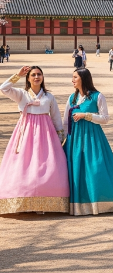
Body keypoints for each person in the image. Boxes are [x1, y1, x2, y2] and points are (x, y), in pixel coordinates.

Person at [0, 66, 69, 215]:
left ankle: (42, 202)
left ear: (43, 77)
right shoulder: (21, 94)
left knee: (45, 165)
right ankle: (21, 201)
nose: (36, 77)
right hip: (25, 133)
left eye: (39, 74)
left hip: (46, 134)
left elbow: (56, 117)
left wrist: (60, 136)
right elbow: (3, 88)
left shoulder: (49, 97)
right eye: (33, 75)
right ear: (28, 78)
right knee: (22, 165)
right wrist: (17, 75)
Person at [62, 68, 113, 215]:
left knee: (95, 168)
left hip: (92, 138)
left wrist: (86, 115)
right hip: (75, 139)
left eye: (75, 77)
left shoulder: (98, 96)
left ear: (83, 78)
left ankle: (100, 203)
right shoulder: (72, 98)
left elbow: (105, 118)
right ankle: (78, 206)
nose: (72, 80)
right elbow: (65, 121)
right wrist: (62, 139)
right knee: (76, 170)